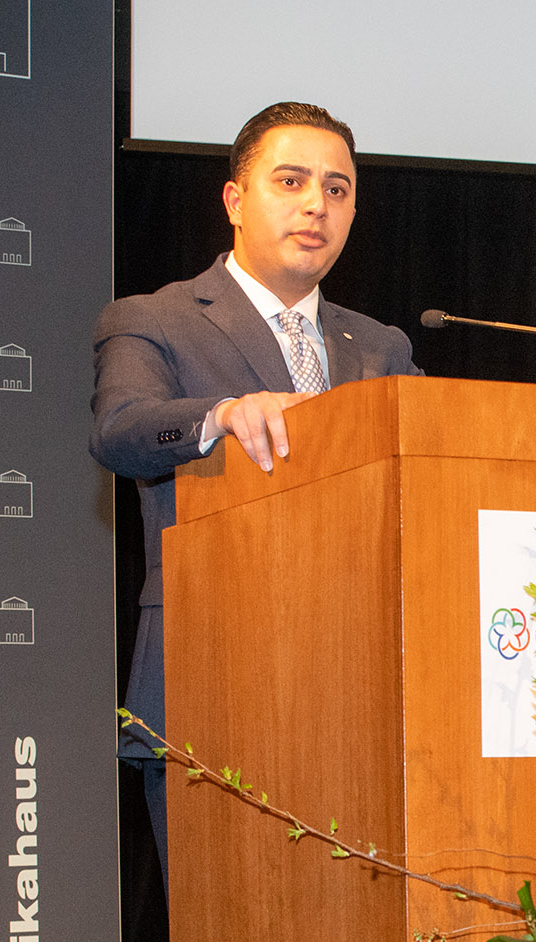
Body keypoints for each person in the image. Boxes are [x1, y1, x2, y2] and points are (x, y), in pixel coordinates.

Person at [91, 102, 422, 874]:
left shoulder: (381, 345)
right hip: (214, 677)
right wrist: (222, 414)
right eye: (291, 181)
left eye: (337, 189)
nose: (317, 205)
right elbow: (120, 428)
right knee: (226, 935)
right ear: (236, 201)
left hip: (371, 688)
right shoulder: (155, 319)